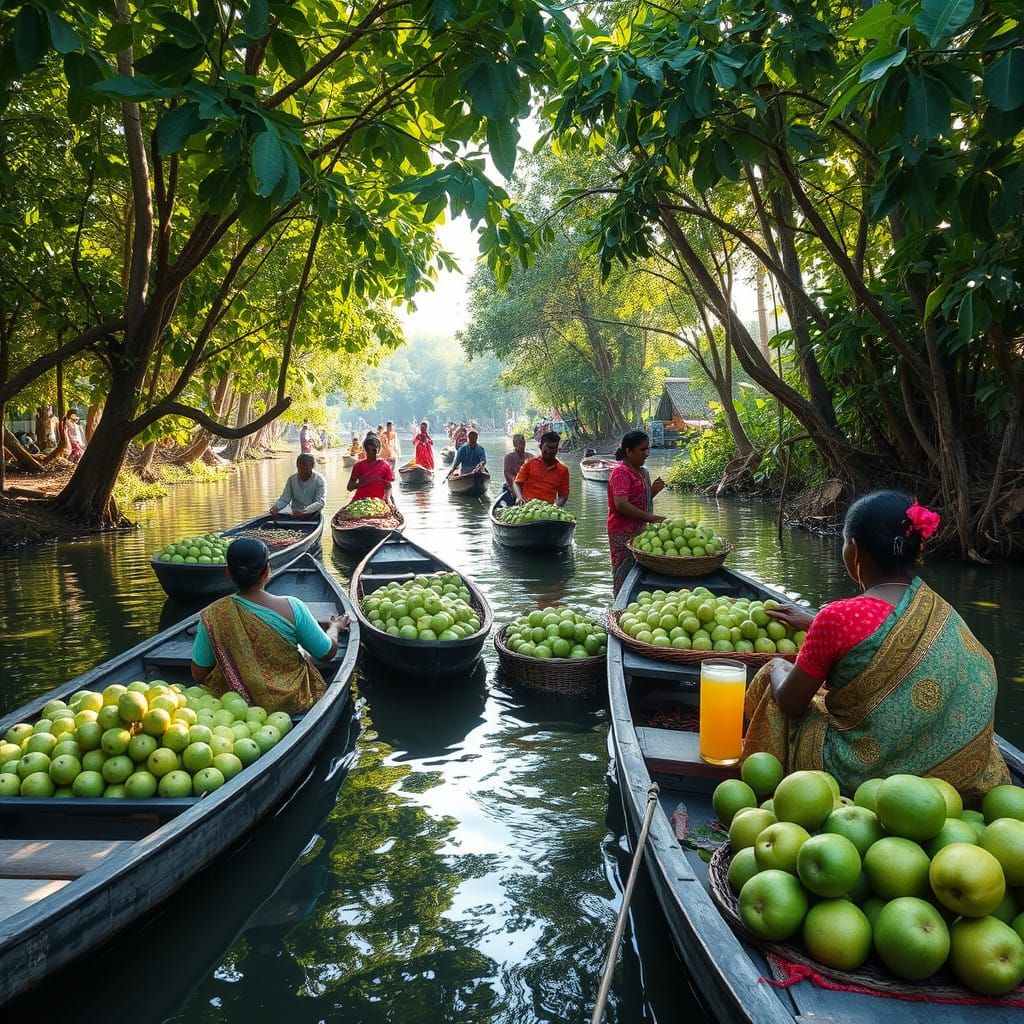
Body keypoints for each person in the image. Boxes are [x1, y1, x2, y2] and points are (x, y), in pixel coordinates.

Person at [743, 491, 1010, 799]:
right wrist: (812, 621)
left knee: (772, 677)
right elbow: (880, 627)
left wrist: (777, 666)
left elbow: (791, 703)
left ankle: (764, 789)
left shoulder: (837, 618)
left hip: (863, 780)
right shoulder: (940, 611)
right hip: (946, 785)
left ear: (855, 550)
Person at [190, 538, 349, 713]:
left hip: (236, 706)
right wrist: (335, 627)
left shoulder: (213, 614)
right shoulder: (292, 607)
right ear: (267, 570)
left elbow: (199, 675)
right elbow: (326, 652)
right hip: (292, 701)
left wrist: (235, 663)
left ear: (228, 572)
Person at [606, 430, 666, 594]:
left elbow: (638, 501)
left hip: (640, 531)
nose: (646, 454)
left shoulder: (641, 472)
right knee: (623, 573)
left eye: (648, 449)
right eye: (642, 449)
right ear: (628, 451)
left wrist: (652, 491)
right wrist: (652, 518)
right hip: (622, 531)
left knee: (639, 572)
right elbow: (622, 504)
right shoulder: (620, 472)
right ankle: (619, 606)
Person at [513, 431, 569, 507]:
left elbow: (563, 495)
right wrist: (519, 497)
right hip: (527, 507)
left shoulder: (563, 470)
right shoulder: (529, 463)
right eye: (547, 448)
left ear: (557, 450)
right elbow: (516, 483)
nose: (549, 452)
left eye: (552, 448)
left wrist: (556, 507)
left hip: (548, 510)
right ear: (540, 447)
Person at [268, 454, 326, 519]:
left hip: (314, 515)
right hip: (295, 515)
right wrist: (276, 507)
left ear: (312, 466)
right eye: (299, 468)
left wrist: (304, 512)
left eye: (304, 468)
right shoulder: (291, 480)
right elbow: (285, 499)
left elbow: (320, 502)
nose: (301, 471)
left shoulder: (319, 480)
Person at [346, 434, 395, 505]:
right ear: (365, 451)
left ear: (378, 451)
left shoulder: (385, 466)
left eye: (374, 451)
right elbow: (349, 487)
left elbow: (388, 485)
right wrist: (362, 483)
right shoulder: (358, 466)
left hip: (379, 501)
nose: (372, 454)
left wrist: (387, 497)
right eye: (369, 452)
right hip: (360, 500)